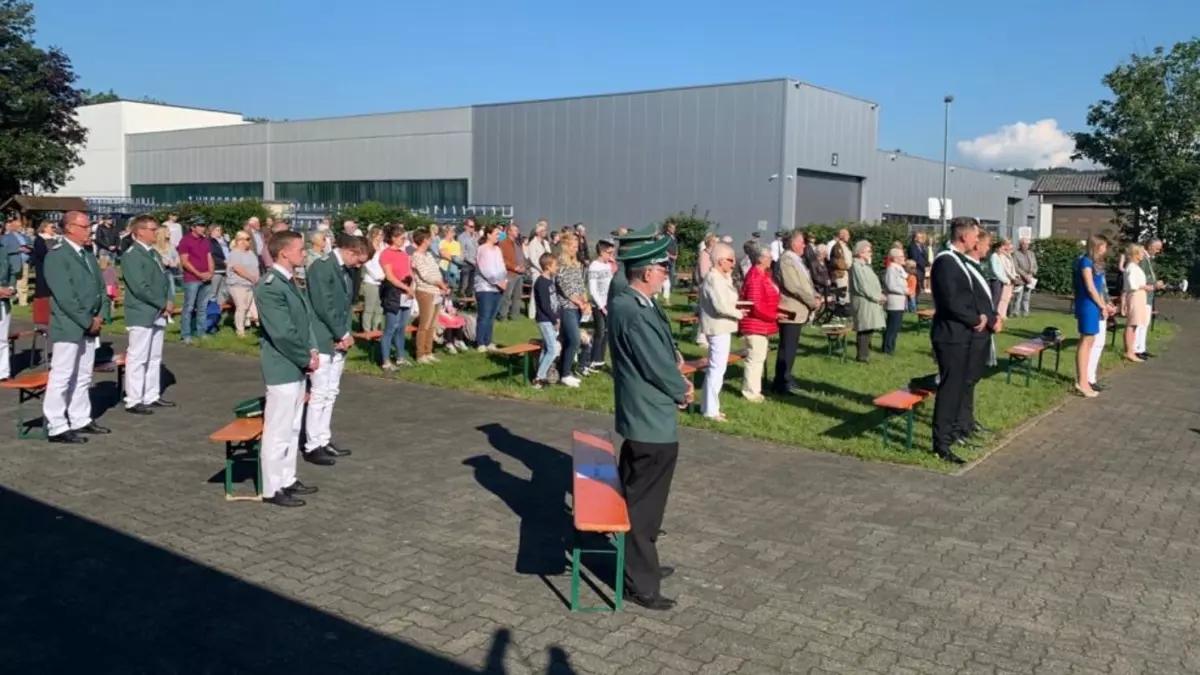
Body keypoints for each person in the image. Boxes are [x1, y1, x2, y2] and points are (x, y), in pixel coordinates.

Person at [608, 235, 692, 611]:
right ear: (645, 273)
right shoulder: (633, 309)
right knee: (644, 509)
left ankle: (643, 566)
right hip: (650, 419)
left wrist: (674, 357)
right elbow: (654, 365)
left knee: (639, 498)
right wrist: (682, 389)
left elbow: (661, 347)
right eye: (661, 269)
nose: (665, 275)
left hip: (645, 417)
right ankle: (640, 583)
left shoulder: (637, 302)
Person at [254, 230, 322, 506]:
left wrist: (313, 349)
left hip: (297, 364)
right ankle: (272, 488)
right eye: (300, 249)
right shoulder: (270, 285)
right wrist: (305, 357)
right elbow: (282, 332)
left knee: (293, 428)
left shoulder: (288, 281)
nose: (304, 253)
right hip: (283, 365)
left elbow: (304, 321)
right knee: (278, 430)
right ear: (283, 252)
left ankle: (287, 478)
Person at [930, 217, 996, 464]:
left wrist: (981, 316)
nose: (977, 240)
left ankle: (955, 432)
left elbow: (967, 296)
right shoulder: (946, 261)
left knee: (958, 387)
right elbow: (950, 300)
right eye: (975, 235)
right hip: (950, 335)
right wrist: (974, 318)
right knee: (950, 389)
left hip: (963, 334)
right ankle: (941, 443)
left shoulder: (958, 260)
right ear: (964, 236)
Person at [42, 211, 108, 444]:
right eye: (85, 226)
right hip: (69, 324)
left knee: (83, 375)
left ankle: (80, 417)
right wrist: (87, 320)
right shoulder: (57, 256)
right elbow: (65, 296)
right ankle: (57, 424)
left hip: (90, 322)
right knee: (62, 375)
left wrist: (101, 315)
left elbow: (101, 288)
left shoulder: (86, 253)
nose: (89, 230)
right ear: (70, 228)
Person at [305, 233, 368, 464]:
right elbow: (324, 305)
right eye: (359, 260)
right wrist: (342, 333)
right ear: (350, 251)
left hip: (339, 337)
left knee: (331, 392)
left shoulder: (345, 270)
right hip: (323, 337)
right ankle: (312, 445)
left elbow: (345, 305)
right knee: (319, 393)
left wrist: (344, 334)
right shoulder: (322, 267)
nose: (359, 265)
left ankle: (323, 439)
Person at [120, 214, 175, 414]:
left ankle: (151, 395)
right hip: (142, 311)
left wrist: (169, 300)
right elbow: (139, 287)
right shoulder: (132, 255)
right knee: (138, 357)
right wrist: (162, 302)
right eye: (152, 229)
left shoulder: (153, 253)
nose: (156, 233)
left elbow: (163, 280)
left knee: (154, 356)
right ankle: (133, 399)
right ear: (140, 231)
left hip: (157, 311)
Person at [773, 231, 821, 394]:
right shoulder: (786, 260)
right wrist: (811, 301)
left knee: (790, 348)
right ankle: (782, 382)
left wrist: (815, 295)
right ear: (793, 243)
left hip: (798, 309)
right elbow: (793, 286)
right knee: (787, 348)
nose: (804, 245)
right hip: (790, 310)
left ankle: (786, 378)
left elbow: (805, 284)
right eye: (801, 242)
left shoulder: (796, 260)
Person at [698, 243, 742, 420]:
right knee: (717, 369)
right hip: (717, 327)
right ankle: (710, 411)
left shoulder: (721, 277)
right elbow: (721, 306)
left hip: (722, 327)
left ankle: (708, 406)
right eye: (731, 260)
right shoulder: (714, 279)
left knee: (717, 368)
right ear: (720, 260)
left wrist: (728, 275)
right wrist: (739, 314)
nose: (733, 264)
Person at [738, 247, 780, 402]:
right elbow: (755, 304)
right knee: (754, 359)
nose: (771, 260)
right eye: (769, 257)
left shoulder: (764, 275)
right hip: (755, 324)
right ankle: (750, 392)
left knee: (759, 357)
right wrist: (774, 315)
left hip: (762, 324)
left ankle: (755, 390)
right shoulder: (755, 276)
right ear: (760, 259)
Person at [1073, 234, 1111, 398]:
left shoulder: (1097, 264)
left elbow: (1099, 288)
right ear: (1097, 246)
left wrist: (1104, 305)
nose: (1106, 249)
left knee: (1091, 340)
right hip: (1087, 305)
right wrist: (1101, 304)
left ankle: (1085, 379)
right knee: (1086, 340)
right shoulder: (1085, 262)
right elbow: (1089, 287)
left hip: (1095, 305)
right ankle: (1082, 381)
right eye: (1104, 246)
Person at [554, 232, 589, 386]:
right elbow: (565, 288)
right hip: (567, 307)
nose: (576, 249)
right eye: (573, 246)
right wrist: (579, 302)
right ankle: (565, 374)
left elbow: (580, 285)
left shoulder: (576, 264)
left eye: (577, 246)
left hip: (577, 308)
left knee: (568, 340)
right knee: (574, 339)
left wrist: (585, 301)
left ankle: (563, 370)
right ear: (566, 247)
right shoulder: (561, 265)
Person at [410, 229, 449, 364]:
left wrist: (442, 284)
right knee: (425, 324)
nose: (431, 241)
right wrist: (439, 283)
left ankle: (428, 351)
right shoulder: (416, 256)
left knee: (433, 324)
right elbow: (425, 275)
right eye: (429, 239)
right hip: (425, 292)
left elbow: (436, 271)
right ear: (424, 240)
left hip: (436, 291)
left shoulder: (429, 255)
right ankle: (420, 354)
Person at [379, 225, 414, 369]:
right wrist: (405, 287)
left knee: (401, 327)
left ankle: (400, 357)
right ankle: (386, 361)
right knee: (390, 327)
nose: (404, 241)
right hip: (393, 293)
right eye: (401, 238)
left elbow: (409, 271)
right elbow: (390, 276)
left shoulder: (404, 254)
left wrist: (411, 286)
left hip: (406, 292)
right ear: (393, 238)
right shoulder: (386, 254)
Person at [177, 217, 215, 345]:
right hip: (192, 279)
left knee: (202, 307)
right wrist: (199, 274)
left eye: (204, 225)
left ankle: (201, 332)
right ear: (193, 227)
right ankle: (185, 334)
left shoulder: (205, 240)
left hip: (206, 278)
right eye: (200, 225)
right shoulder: (185, 241)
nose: (203, 228)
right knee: (189, 307)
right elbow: (184, 261)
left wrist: (211, 272)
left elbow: (209, 257)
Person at [849, 241, 885, 362]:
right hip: (863, 301)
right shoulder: (856, 266)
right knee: (864, 328)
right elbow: (862, 286)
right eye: (868, 251)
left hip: (870, 301)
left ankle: (865, 353)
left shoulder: (865, 266)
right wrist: (876, 297)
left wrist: (879, 295)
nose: (871, 253)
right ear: (860, 252)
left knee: (869, 327)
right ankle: (862, 356)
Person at [474, 223, 507, 352]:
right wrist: (497, 282)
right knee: (484, 315)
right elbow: (485, 269)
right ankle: (480, 342)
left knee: (492, 316)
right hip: (485, 288)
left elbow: (502, 266)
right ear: (488, 235)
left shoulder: (498, 249)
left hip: (497, 288)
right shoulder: (482, 249)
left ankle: (488, 341)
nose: (498, 236)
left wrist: (504, 280)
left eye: (499, 234)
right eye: (496, 234)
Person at [585, 240, 616, 373]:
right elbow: (592, 289)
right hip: (598, 305)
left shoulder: (607, 265)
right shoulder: (594, 266)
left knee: (607, 332)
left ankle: (600, 360)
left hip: (608, 302)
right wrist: (601, 306)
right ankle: (593, 360)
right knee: (600, 332)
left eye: (612, 253)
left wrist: (613, 263)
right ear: (602, 252)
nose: (611, 255)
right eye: (609, 253)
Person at [532, 253, 560, 389]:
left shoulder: (550, 281)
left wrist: (558, 316)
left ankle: (539, 373)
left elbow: (554, 301)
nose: (557, 267)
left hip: (552, 319)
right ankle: (539, 378)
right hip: (545, 320)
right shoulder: (541, 283)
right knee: (553, 350)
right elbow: (545, 305)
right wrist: (554, 320)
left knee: (547, 348)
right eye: (555, 265)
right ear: (548, 267)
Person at [1122, 244, 1152, 363]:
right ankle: (1129, 352)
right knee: (1132, 324)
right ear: (1135, 254)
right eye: (1141, 252)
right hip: (1135, 295)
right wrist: (1145, 287)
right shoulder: (1131, 267)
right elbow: (1132, 284)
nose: (1143, 255)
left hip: (1139, 295)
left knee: (1135, 324)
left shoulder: (1135, 267)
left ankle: (1131, 350)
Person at [226, 231, 260, 337]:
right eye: (247, 239)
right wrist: (251, 277)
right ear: (240, 241)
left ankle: (243, 324)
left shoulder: (250, 253)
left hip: (250, 284)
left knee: (246, 307)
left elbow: (256, 266)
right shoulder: (234, 253)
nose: (250, 241)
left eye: (249, 239)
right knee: (241, 307)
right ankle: (240, 330)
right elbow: (238, 268)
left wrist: (256, 278)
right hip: (237, 284)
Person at [1134, 239, 1164, 359]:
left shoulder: (1149, 259)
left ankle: (1141, 348)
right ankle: (1136, 349)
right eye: (1157, 248)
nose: (1158, 251)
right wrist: (1154, 284)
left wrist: (1156, 283)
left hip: (1149, 295)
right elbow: (1140, 277)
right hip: (1143, 295)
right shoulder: (1143, 259)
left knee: (1145, 323)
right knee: (1140, 323)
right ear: (1150, 246)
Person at [0, 220, 18, 381]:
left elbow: (12, 271)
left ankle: (3, 372)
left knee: (2, 338)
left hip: (3, 302)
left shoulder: (3, 250)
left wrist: (11, 287)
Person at [497, 222, 527, 320]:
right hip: (509, 273)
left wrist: (523, 266)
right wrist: (514, 267)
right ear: (509, 231)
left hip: (519, 273)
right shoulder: (503, 243)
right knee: (507, 296)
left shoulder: (517, 243)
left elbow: (521, 257)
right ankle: (503, 315)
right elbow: (502, 259)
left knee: (517, 296)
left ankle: (514, 315)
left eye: (517, 230)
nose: (518, 232)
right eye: (515, 230)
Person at [524, 220, 552, 320]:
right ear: (538, 232)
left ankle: (544, 311)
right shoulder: (533, 243)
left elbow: (549, 255)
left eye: (545, 230)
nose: (545, 232)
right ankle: (532, 313)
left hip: (547, 270)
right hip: (537, 271)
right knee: (535, 292)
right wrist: (542, 268)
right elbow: (533, 259)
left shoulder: (546, 243)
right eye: (543, 231)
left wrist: (548, 267)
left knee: (546, 292)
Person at [882, 246, 908, 355]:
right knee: (892, 327)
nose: (904, 258)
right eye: (901, 256)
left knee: (896, 327)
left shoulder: (899, 268)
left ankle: (890, 346)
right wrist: (904, 290)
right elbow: (891, 285)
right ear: (895, 258)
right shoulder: (891, 269)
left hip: (900, 302)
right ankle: (887, 348)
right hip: (894, 302)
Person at [360, 227, 386, 332]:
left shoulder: (383, 247)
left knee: (379, 308)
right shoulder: (368, 247)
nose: (381, 237)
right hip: (371, 281)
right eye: (379, 234)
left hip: (383, 281)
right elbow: (367, 264)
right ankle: (366, 330)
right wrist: (378, 276)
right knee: (369, 308)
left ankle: (376, 329)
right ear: (373, 235)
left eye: (382, 235)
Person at [1011, 238, 1038, 317]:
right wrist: (1025, 276)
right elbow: (1016, 267)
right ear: (1020, 244)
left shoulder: (1031, 253)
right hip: (1020, 278)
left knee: (1027, 296)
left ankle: (1025, 312)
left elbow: (1035, 265)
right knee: (1018, 297)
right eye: (1024, 244)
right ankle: (1016, 312)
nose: (1026, 245)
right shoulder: (1016, 254)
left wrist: (1032, 273)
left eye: (1027, 244)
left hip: (1030, 278)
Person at [208, 224, 230, 323]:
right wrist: (223, 262)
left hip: (225, 269)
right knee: (213, 293)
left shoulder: (224, 241)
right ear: (211, 231)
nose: (219, 231)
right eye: (217, 230)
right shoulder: (210, 242)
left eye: (220, 230)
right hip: (216, 269)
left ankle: (218, 314)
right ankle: (210, 314)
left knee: (223, 293)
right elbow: (212, 256)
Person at [989, 238, 1016, 318]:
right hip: (996, 280)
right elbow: (996, 270)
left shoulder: (998, 256)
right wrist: (1005, 279)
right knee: (996, 298)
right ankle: (993, 314)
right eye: (1001, 248)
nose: (1002, 249)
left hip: (1000, 280)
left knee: (998, 298)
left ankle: (996, 315)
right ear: (997, 248)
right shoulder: (994, 256)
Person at [153, 225, 181, 299]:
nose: (170, 233)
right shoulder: (154, 247)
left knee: (172, 294)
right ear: (162, 233)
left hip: (169, 272)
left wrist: (176, 262)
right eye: (167, 231)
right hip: (157, 274)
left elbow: (177, 256)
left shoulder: (170, 245)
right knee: (160, 294)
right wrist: (165, 262)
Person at [827, 228, 853, 305]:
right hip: (840, 274)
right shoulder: (837, 247)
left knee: (847, 294)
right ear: (842, 236)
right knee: (842, 295)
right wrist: (847, 266)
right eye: (847, 235)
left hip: (846, 273)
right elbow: (836, 262)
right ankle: (841, 309)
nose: (849, 237)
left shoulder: (846, 246)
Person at [436, 225, 462, 290]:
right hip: (444, 267)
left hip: (455, 268)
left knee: (452, 286)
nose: (453, 233)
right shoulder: (442, 242)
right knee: (445, 286)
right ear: (446, 233)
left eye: (453, 232)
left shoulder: (457, 243)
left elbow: (459, 255)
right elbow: (443, 254)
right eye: (451, 232)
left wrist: (452, 257)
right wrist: (453, 258)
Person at [457, 218, 479, 296]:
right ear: (465, 226)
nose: (473, 228)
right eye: (471, 226)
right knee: (464, 284)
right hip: (466, 263)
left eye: (474, 226)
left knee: (471, 285)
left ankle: (469, 299)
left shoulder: (475, 236)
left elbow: (477, 248)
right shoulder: (461, 237)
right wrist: (473, 262)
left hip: (474, 263)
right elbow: (463, 252)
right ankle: (460, 299)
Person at [907, 231, 930, 297]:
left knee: (918, 290)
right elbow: (915, 258)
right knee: (915, 289)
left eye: (922, 237)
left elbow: (925, 257)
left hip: (922, 270)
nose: (921, 238)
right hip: (916, 269)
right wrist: (923, 265)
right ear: (915, 238)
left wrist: (928, 265)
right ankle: (912, 302)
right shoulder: (912, 246)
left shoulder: (921, 247)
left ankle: (916, 301)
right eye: (919, 237)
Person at [661, 220, 678, 301]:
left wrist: (676, 254)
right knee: (666, 275)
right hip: (667, 259)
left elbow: (676, 247)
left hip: (673, 258)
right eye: (672, 228)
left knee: (672, 275)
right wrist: (670, 256)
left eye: (674, 228)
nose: (674, 230)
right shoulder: (665, 237)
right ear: (668, 228)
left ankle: (670, 290)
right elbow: (664, 248)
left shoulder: (673, 237)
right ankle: (664, 291)